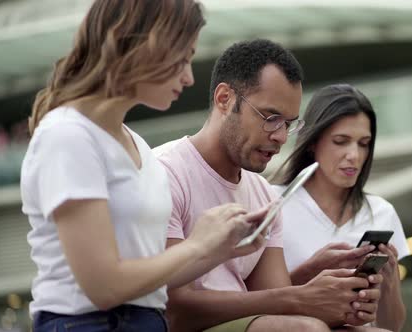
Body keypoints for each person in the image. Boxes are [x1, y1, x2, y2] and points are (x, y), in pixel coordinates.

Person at [20, 1, 267, 331]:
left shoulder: (138, 148)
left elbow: (149, 279)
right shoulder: (68, 136)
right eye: (183, 58)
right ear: (147, 46)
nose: (189, 77)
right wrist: (197, 244)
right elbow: (105, 287)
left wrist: (220, 250)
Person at [155, 39, 387, 332]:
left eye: (289, 123)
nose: (281, 136)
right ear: (224, 99)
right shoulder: (164, 173)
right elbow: (175, 310)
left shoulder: (263, 193)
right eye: (270, 118)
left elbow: (276, 299)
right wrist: (303, 297)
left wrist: (335, 298)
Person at [271, 84, 410, 331]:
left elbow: (392, 326)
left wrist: (387, 284)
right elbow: (253, 302)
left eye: (364, 143)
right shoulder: (273, 204)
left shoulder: (381, 213)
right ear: (313, 142)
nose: (354, 155)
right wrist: (310, 277)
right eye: (341, 141)